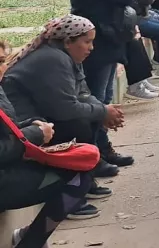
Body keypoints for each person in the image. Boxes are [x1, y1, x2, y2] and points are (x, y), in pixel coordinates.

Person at [1, 16, 126, 207]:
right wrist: (102, 112)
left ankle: (86, 177)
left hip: (38, 120)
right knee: (78, 124)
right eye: (87, 42)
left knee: (89, 117)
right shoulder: (53, 59)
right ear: (68, 42)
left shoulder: (68, 56)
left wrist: (104, 112)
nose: (91, 48)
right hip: (25, 124)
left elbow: (83, 93)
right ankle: (73, 194)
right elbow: (65, 109)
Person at [0, 37, 100, 244]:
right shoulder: (53, 60)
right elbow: (65, 107)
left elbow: (7, 126)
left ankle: (30, 237)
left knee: (82, 162)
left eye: (2, 61)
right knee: (77, 177)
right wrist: (35, 134)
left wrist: (32, 125)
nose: (3, 68)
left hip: (10, 165)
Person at [62, 0, 137, 175]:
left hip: (105, 36)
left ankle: (102, 149)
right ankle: (92, 157)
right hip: (99, 39)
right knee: (96, 98)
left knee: (103, 96)